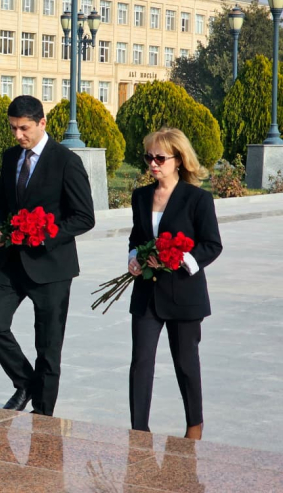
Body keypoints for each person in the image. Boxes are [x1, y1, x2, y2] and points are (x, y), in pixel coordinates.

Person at [0, 95, 95, 416]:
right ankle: (26, 383)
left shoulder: (66, 161)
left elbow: (84, 217)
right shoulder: (10, 158)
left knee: (47, 347)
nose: (18, 135)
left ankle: (43, 417)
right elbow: (3, 205)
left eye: (24, 128)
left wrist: (44, 236)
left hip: (52, 268)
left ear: (42, 123)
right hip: (11, 262)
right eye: (13, 128)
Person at [127, 127, 222, 440]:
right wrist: (134, 258)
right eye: (149, 158)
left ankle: (194, 425)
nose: (153, 164)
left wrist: (181, 259)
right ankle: (139, 430)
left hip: (184, 294)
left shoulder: (198, 199)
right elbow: (137, 237)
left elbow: (212, 244)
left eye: (160, 158)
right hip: (146, 294)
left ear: (178, 160)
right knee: (141, 362)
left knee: (185, 362)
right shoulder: (141, 196)